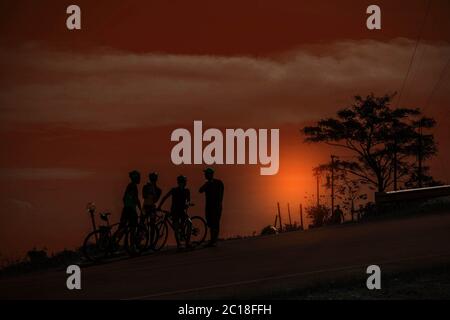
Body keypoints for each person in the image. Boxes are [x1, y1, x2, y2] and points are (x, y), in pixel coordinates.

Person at [158, 175, 191, 249]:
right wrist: (187, 204)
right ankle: (181, 244)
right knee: (178, 227)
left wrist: (159, 207)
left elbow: (188, 201)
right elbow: (188, 201)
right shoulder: (178, 190)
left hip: (179, 211)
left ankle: (184, 243)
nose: (183, 183)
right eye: (182, 182)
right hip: (176, 211)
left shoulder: (184, 191)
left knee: (186, 224)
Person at [199, 168, 224, 247]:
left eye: (206, 174)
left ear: (210, 174)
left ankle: (213, 240)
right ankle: (213, 240)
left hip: (214, 206)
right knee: (211, 223)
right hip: (211, 206)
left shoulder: (216, 183)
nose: (205, 175)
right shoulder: (216, 183)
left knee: (214, 223)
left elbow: (200, 190)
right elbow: (200, 190)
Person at [142, 172, 162, 246]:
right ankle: (140, 240)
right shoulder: (146, 187)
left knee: (152, 225)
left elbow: (155, 199)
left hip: (151, 207)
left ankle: (151, 243)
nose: (153, 180)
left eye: (154, 178)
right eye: (152, 178)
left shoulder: (158, 190)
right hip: (146, 206)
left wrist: (153, 190)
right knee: (142, 223)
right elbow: (144, 195)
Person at [120, 170, 142, 235]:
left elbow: (124, 198)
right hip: (131, 210)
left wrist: (127, 205)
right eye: (138, 177)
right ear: (135, 178)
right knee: (133, 228)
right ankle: (132, 244)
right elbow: (136, 199)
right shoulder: (133, 186)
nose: (139, 179)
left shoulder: (129, 186)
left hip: (126, 208)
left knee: (122, 226)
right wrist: (140, 209)